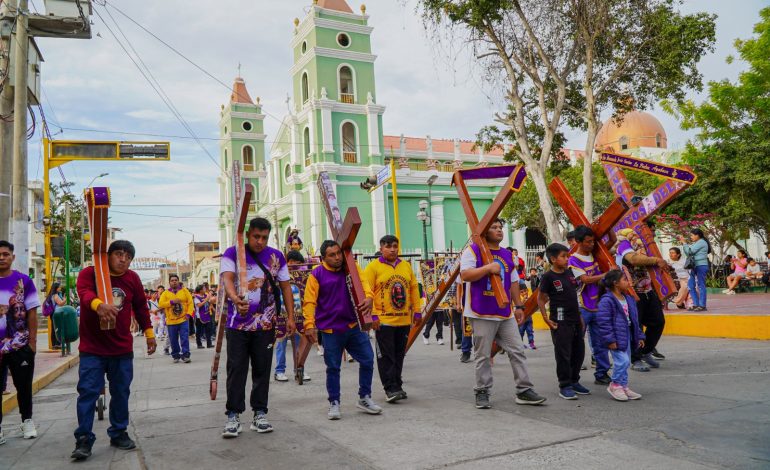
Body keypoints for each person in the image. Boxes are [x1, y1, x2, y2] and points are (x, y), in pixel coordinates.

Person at [71, 240, 156, 460]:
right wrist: (99, 305)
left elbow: (140, 307)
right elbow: (84, 294)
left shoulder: (133, 279)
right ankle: (83, 439)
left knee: (121, 392)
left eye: (128, 256)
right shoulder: (89, 274)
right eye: (119, 254)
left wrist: (149, 333)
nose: (123, 259)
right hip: (93, 349)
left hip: (121, 348)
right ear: (107, 256)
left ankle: (118, 432)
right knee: (88, 392)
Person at [221, 218, 296, 438]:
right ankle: (233, 416)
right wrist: (235, 298)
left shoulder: (277, 257)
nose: (260, 241)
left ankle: (260, 413)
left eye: (264, 237)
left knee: (262, 370)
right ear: (247, 234)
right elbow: (227, 278)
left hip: (266, 325)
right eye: (256, 236)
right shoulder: (232, 253)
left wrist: (290, 317)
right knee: (236, 370)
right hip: (237, 325)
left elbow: (285, 288)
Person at [460, 218, 545, 409]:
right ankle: (482, 391)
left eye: (500, 227)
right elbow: (465, 275)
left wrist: (519, 306)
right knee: (482, 355)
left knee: (517, 349)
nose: (499, 230)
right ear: (484, 231)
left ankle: (524, 390)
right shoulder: (473, 250)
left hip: (504, 312)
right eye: (494, 227)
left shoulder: (507, 254)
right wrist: (488, 268)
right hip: (481, 311)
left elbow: (514, 281)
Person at [303, 240, 381, 420]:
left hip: (353, 327)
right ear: (323, 258)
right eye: (332, 255)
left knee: (368, 360)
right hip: (330, 331)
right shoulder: (316, 275)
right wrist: (309, 325)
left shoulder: (350, 269)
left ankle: (364, 397)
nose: (337, 257)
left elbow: (365, 284)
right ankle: (334, 402)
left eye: (338, 253)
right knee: (333, 368)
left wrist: (369, 298)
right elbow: (309, 302)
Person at [363, 235, 421, 403]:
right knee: (386, 356)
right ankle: (390, 388)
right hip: (384, 321)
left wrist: (417, 311)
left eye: (395, 246)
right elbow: (368, 292)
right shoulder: (373, 268)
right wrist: (372, 315)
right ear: (381, 249)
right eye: (388, 246)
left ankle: (398, 385)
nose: (393, 249)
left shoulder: (405, 266)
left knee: (399, 355)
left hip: (403, 320)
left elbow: (413, 288)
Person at [0, 240, 40, 445]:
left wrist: (32, 342)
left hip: (20, 345)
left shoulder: (24, 281)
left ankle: (27, 421)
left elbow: (32, 312)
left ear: (12, 257)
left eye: (6, 254)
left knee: (23, 386)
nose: (1, 257)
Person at [538, 243, 589, 400]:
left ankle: (574, 381)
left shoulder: (569, 273)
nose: (567, 259)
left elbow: (574, 295)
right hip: (560, 320)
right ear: (553, 259)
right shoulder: (548, 277)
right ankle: (565, 385)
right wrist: (546, 318)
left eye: (567, 256)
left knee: (579, 352)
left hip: (575, 318)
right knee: (563, 354)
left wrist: (579, 315)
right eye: (563, 256)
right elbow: (541, 299)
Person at [614, 228, 668, 372]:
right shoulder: (623, 244)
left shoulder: (643, 246)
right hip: (632, 293)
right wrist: (656, 260)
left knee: (658, 322)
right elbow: (634, 259)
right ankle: (636, 358)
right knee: (636, 327)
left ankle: (646, 351)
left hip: (648, 291)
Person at [568, 225, 610, 386]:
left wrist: (608, 226)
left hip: (598, 305)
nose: (592, 244)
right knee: (577, 343)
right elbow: (585, 279)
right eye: (588, 242)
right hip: (582, 307)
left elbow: (612, 240)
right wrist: (605, 275)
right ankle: (573, 377)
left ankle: (602, 373)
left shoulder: (595, 253)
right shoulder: (573, 260)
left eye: (593, 241)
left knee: (600, 342)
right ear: (578, 242)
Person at [596, 269, 645, 402]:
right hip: (616, 336)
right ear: (615, 283)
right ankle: (615, 385)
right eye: (624, 279)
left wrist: (639, 336)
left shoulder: (628, 299)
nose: (628, 282)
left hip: (627, 334)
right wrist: (610, 340)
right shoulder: (607, 300)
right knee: (622, 361)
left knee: (626, 362)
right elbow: (604, 322)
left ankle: (623, 385)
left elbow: (635, 319)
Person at [274, 250, 311, 383]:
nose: (298, 266)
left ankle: (299, 369)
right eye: (296, 263)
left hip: (298, 315)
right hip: (281, 315)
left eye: (300, 264)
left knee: (299, 344)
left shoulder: (302, 276)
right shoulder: (278, 273)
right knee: (281, 344)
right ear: (289, 262)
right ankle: (279, 371)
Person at [158, 275, 193, 363]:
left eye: (176, 280)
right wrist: (171, 302)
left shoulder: (185, 291)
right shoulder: (165, 293)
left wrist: (188, 314)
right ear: (169, 282)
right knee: (173, 340)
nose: (174, 282)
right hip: (171, 321)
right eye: (172, 280)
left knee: (184, 338)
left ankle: (186, 355)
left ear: (178, 281)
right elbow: (160, 304)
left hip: (183, 319)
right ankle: (176, 355)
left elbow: (190, 303)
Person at [679, 228, 710, 310]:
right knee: (690, 285)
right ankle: (696, 304)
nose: (691, 237)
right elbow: (688, 252)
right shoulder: (696, 243)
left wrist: (684, 243)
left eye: (692, 235)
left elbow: (690, 252)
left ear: (697, 235)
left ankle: (702, 305)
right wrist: (685, 244)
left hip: (701, 265)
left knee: (701, 285)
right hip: (694, 266)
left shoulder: (701, 242)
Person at [43, 282, 67, 349]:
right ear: (56, 288)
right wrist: (65, 299)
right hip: (56, 313)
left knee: (54, 328)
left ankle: (54, 344)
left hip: (52, 314)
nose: (60, 288)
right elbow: (60, 303)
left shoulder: (51, 295)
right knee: (57, 328)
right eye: (59, 287)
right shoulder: (56, 295)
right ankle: (57, 344)